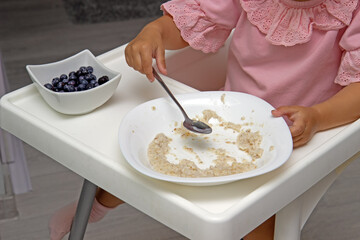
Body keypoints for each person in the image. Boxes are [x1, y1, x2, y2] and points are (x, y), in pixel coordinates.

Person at [49, 0, 360, 239]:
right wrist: (155, 31)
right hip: (229, 118)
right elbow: (195, 19)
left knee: (255, 214)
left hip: (301, 133)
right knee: (144, 168)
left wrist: (318, 117)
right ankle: (94, 207)